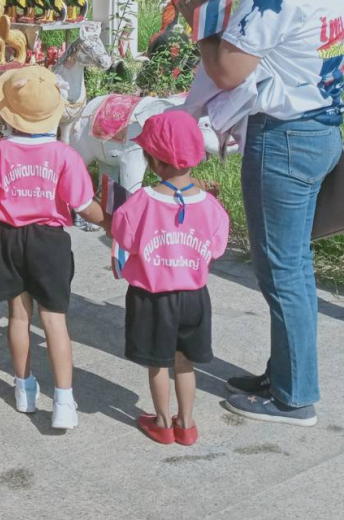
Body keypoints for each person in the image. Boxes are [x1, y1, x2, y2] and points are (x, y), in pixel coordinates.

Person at [174, 0, 344, 426]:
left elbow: (226, 69)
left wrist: (196, 18)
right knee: (291, 264)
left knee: (284, 269)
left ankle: (294, 397)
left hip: (285, 138)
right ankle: (284, 373)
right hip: (320, 129)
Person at [0, 65, 104, 430]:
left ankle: (24, 389)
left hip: (7, 236)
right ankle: (64, 399)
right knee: (54, 320)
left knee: (18, 316)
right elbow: (85, 205)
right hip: (49, 241)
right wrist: (114, 222)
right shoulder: (64, 156)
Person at [103, 112, 230, 446]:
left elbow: (123, 238)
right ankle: (186, 424)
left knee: (158, 363)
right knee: (184, 362)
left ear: (153, 162)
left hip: (152, 296)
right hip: (194, 296)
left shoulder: (142, 201)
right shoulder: (210, 205)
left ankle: (161, 422)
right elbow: (216, 247)